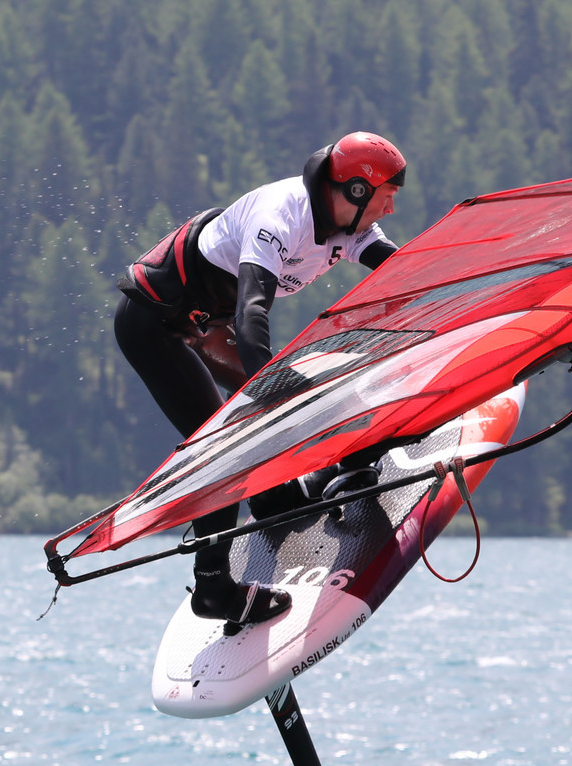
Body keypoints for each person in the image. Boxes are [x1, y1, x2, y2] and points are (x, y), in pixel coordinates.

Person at [113, 132, 406, 630]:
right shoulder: (281, 216)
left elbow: (407, 270)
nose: (391, 210)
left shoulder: (349, 224)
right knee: (224, 447)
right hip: (156, 325)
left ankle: (274, 495)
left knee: (310, 396)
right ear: (355, 192)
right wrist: (272, 409)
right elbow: (252, 317)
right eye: (386, 197)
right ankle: (213, 589)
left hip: (208, 324)